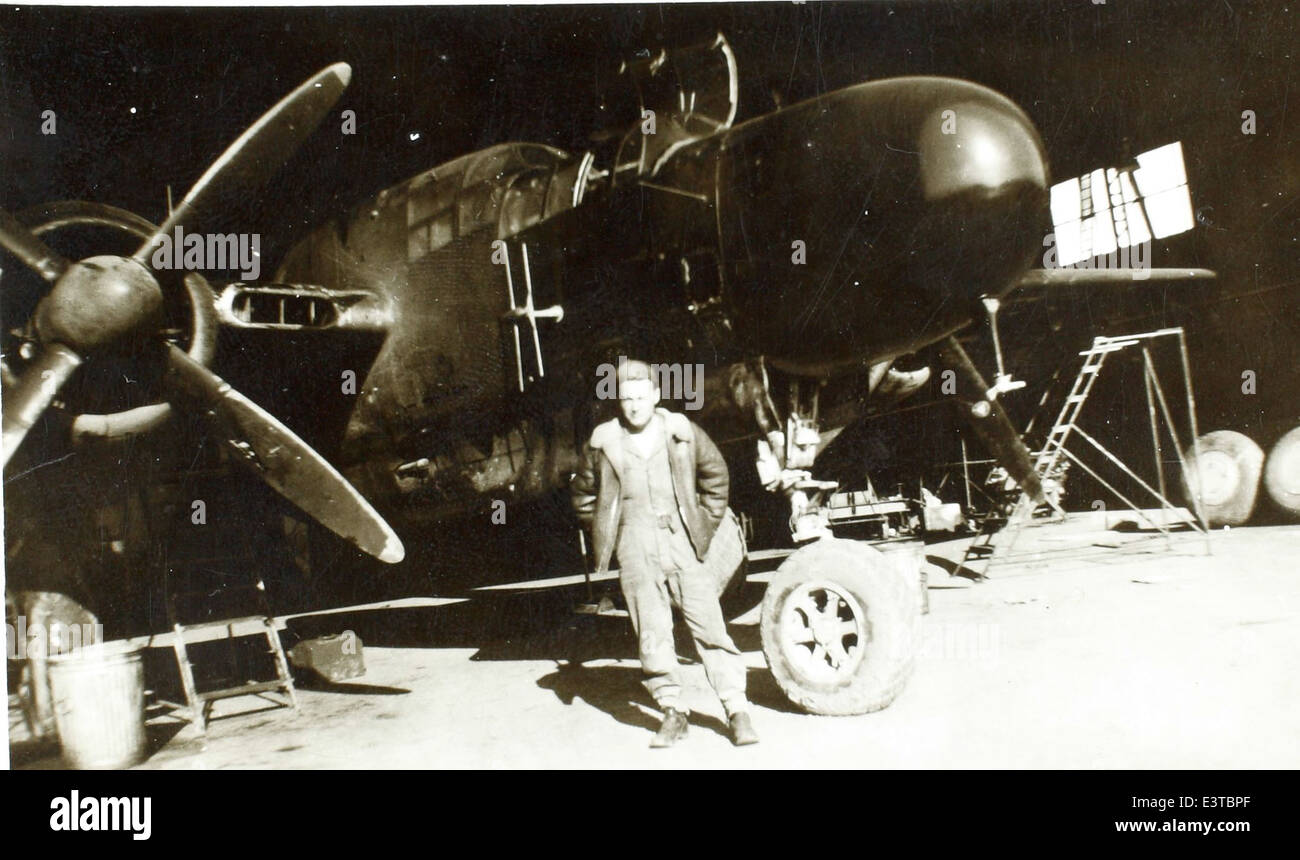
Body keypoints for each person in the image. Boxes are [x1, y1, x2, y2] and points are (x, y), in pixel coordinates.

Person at [571, 359, 758, 748]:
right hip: (636, 549)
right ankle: (673, 711)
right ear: (618, 401)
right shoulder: (604, 443)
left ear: (656, 396)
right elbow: (584, 495)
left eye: (641, 396)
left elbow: (716, 475)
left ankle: (736, 709)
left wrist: (703, 523)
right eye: (627, 398)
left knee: (709, 625)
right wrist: (615, 533)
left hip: (681, 544)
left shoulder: (682, 433)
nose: (635, 405)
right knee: (652, 632)